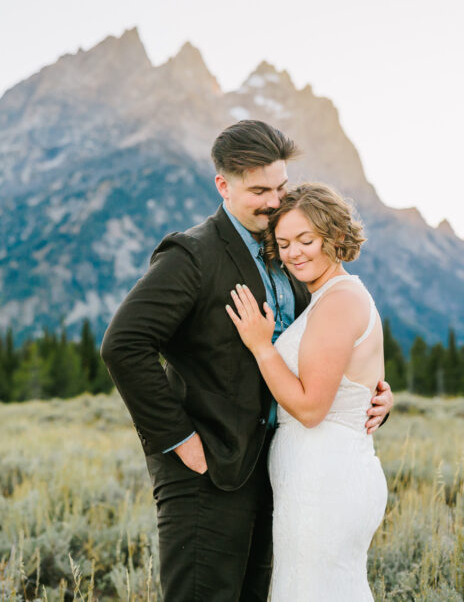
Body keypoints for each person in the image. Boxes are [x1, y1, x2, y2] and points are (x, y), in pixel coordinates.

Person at [100, 120, 393, 601]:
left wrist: (370, 395)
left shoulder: (288, 253)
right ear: (224, 185)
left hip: (276, 470)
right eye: (259, 190)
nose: (274, 201)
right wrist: (178, 438)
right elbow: (123, 344)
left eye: (280, 187)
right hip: (207, 471)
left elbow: (324, 351)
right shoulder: (192, 255)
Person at [226, 183, 388, 601]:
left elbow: (311, 408)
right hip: (318, 479)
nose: (294, 252)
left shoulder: (338, 301)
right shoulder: (331, 298)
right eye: (283, 243)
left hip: (325, 482)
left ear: (335, 238)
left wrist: (262, 347)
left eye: (306, 240)